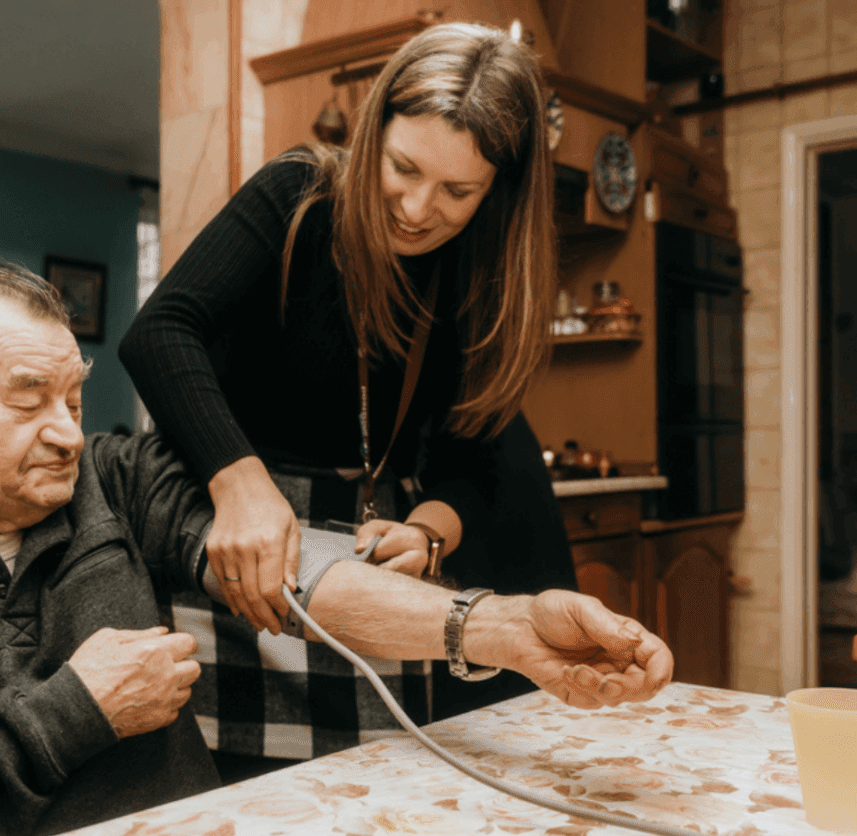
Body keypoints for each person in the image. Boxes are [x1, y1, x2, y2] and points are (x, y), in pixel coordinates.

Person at [0, 261, 672, 836]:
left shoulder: (114, 479)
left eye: (74, 399)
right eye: (30, 401)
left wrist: (506, 628)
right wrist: (71, 714)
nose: (68, 433)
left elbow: (301, 572)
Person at [120, 22, 575, 776]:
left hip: (364, 563)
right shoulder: (299, 194)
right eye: (403, 167)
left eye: (457, 191)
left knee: (369, 805)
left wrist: (428, 532)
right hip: (230, 532)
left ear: (496, 191)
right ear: (374, 132)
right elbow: (162, 333)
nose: (417, 207)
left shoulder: (480, 271)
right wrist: (242, 486)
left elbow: (477, 454)